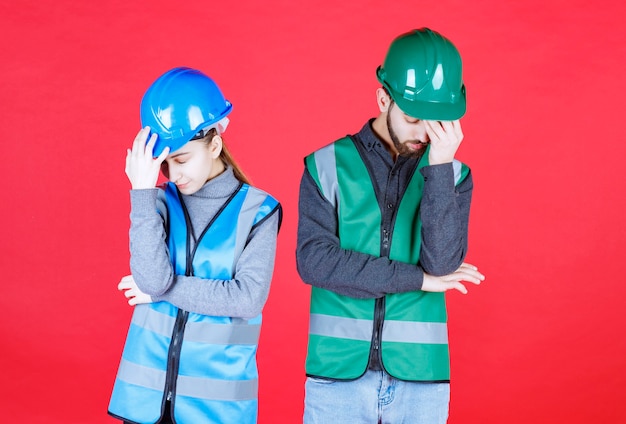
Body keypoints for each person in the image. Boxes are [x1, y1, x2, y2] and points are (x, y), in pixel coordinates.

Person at [296, 28, 485, 423]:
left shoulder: (454, 174)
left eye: (437, 122)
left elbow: (442, 264)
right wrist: (416, 280)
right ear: (383, 97)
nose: (423, 133)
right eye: (414, 117)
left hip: (421, 378)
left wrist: (440, 168)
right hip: (336, 377)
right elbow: (315, 263)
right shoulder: (325, 165)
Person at [108, 67, 282, 424]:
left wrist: (164, 291)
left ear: (215, 144)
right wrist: (140, 192)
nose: (174, 175)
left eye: (182, 159)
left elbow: (247, 298)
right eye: (164, 164)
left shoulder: (259, 212)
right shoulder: (154, 202)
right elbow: (151, 280)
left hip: (216, 410)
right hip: (143, 404)